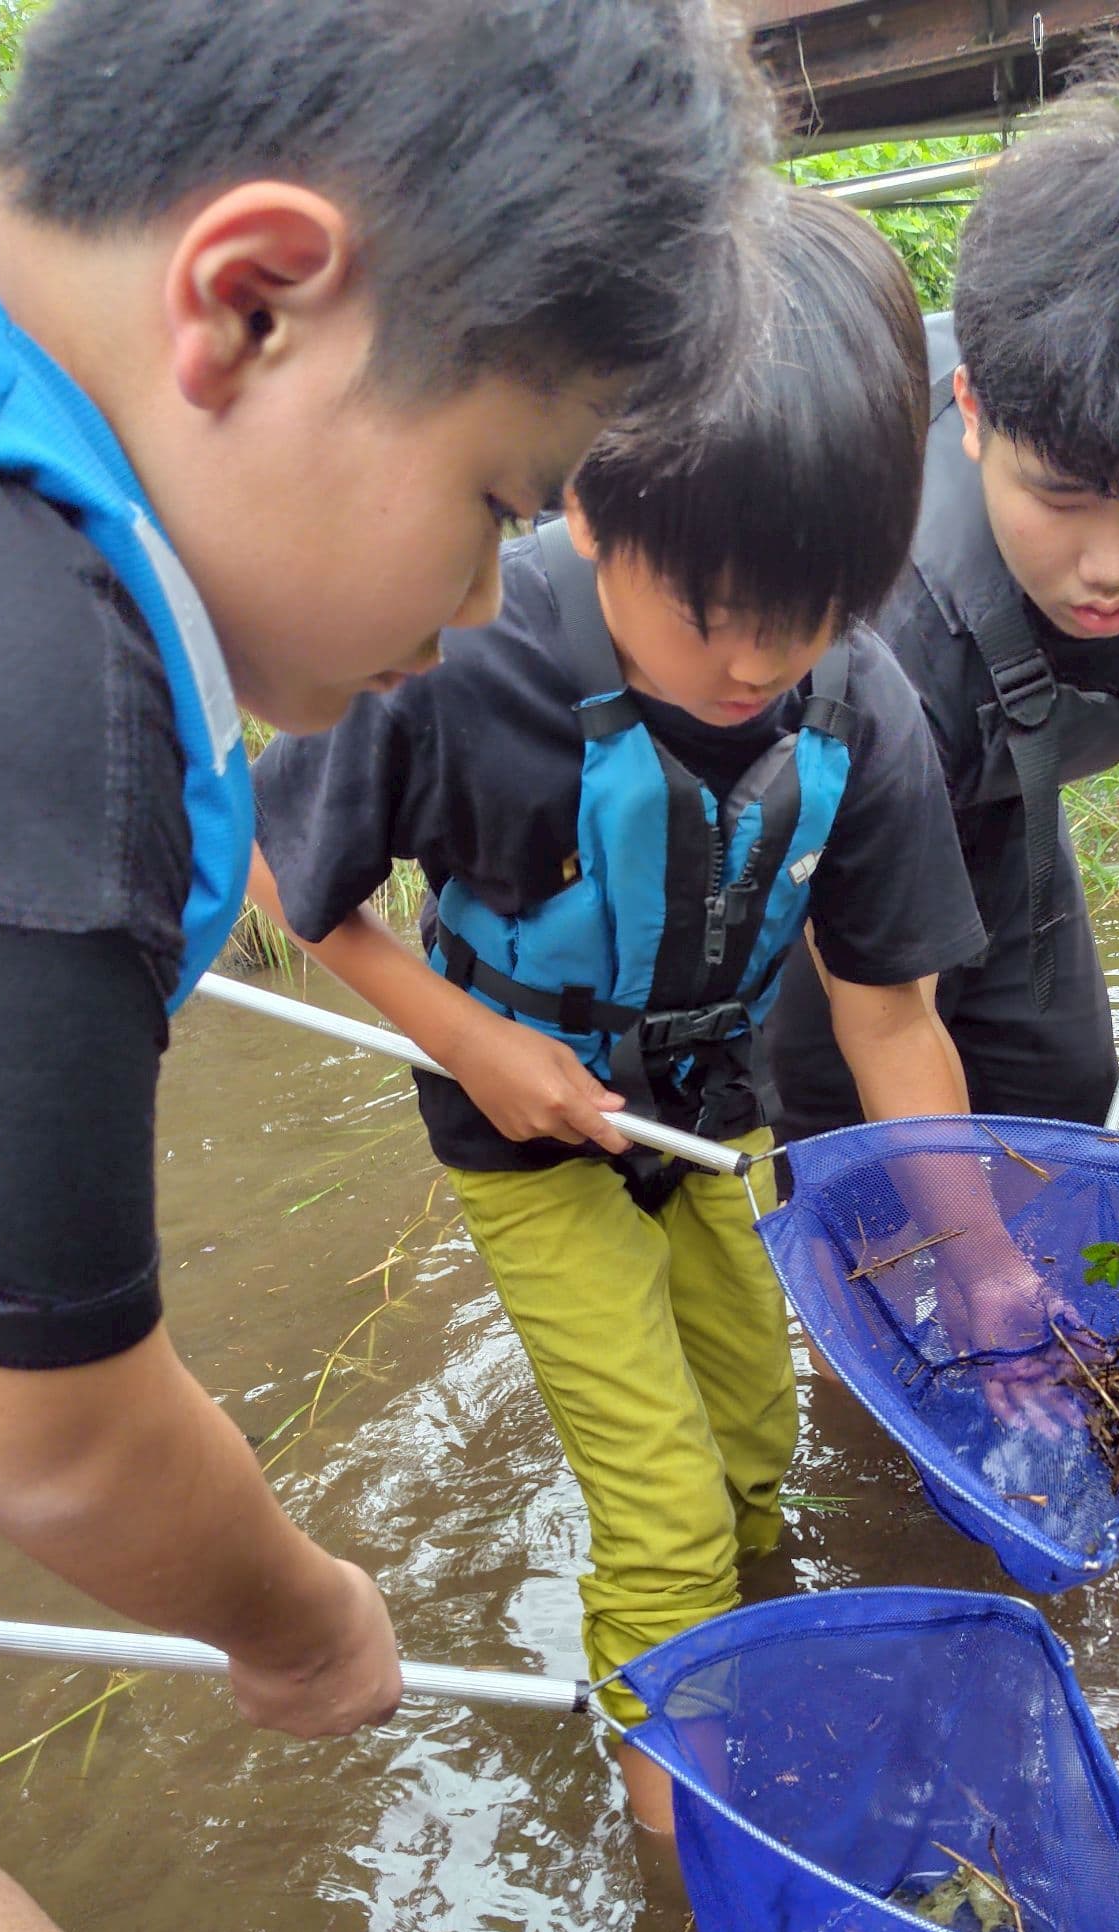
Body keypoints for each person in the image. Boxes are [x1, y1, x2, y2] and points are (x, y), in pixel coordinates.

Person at [0, 1, 771, 1932]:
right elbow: (45, 1434)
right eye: (506, 497)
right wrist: (297, 1617)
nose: (499, 589)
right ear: (250, 299)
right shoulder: (26, 689)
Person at [249, 187, 1001, 1840]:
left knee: (753, 1431)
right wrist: (473, 1038)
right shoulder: (452, 649)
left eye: (805, 614)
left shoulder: (855, 708)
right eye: (713, 614)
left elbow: (889, 1028)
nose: (757, 663)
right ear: (589, 507)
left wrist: (992, 1265)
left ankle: (732, 1665)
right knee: (660, 1500)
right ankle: (686, 1863)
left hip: (704, 1114)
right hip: (521, 1134)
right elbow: (291, 890)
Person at [770, 84, 1119, 1138]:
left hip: (998, 801)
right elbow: (887, 1016)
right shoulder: (884, 616)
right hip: (833, 817)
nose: (1112, 569)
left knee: (1062, 1101)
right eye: (1061, 498)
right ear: (975, 413)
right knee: (851, 1136)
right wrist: (968, 1248)